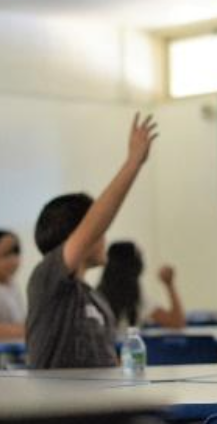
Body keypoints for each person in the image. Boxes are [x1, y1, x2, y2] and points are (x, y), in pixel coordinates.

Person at [26, 114, 157, 369]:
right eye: (97, 229)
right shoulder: (46, 280)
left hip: (100, 404)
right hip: (61, 407)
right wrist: (132, 163)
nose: (103, 235)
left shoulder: (95, 298)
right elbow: (95, 222)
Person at [97, 241, 185, 330]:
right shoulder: (137, 298)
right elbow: (176, 323)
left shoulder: (96, 296)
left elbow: (176, 323)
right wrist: (169, 285)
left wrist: (169, 284)